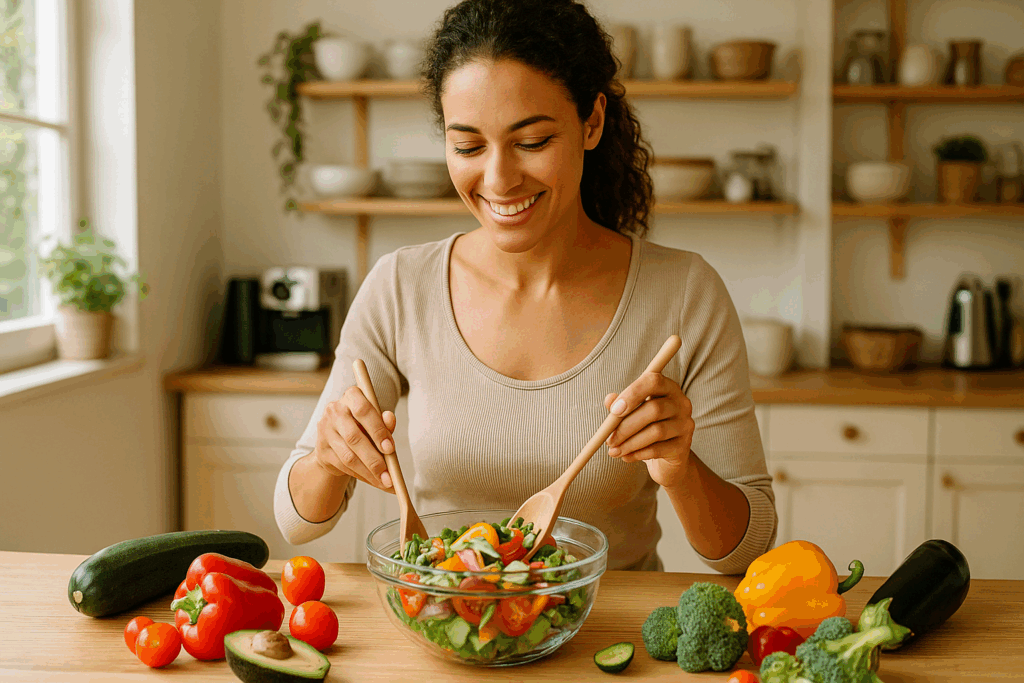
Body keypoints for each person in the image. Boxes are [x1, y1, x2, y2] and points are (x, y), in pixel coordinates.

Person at [274, 0, 776, 573]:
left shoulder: (685, 292)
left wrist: (682, 468)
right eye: (468, 147)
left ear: (591, 122)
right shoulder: (400, 287)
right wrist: (330, 459)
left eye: (532, 141)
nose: (498, 179)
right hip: (451, 628)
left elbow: (747, 549)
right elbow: (295, 521)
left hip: (613, 644)